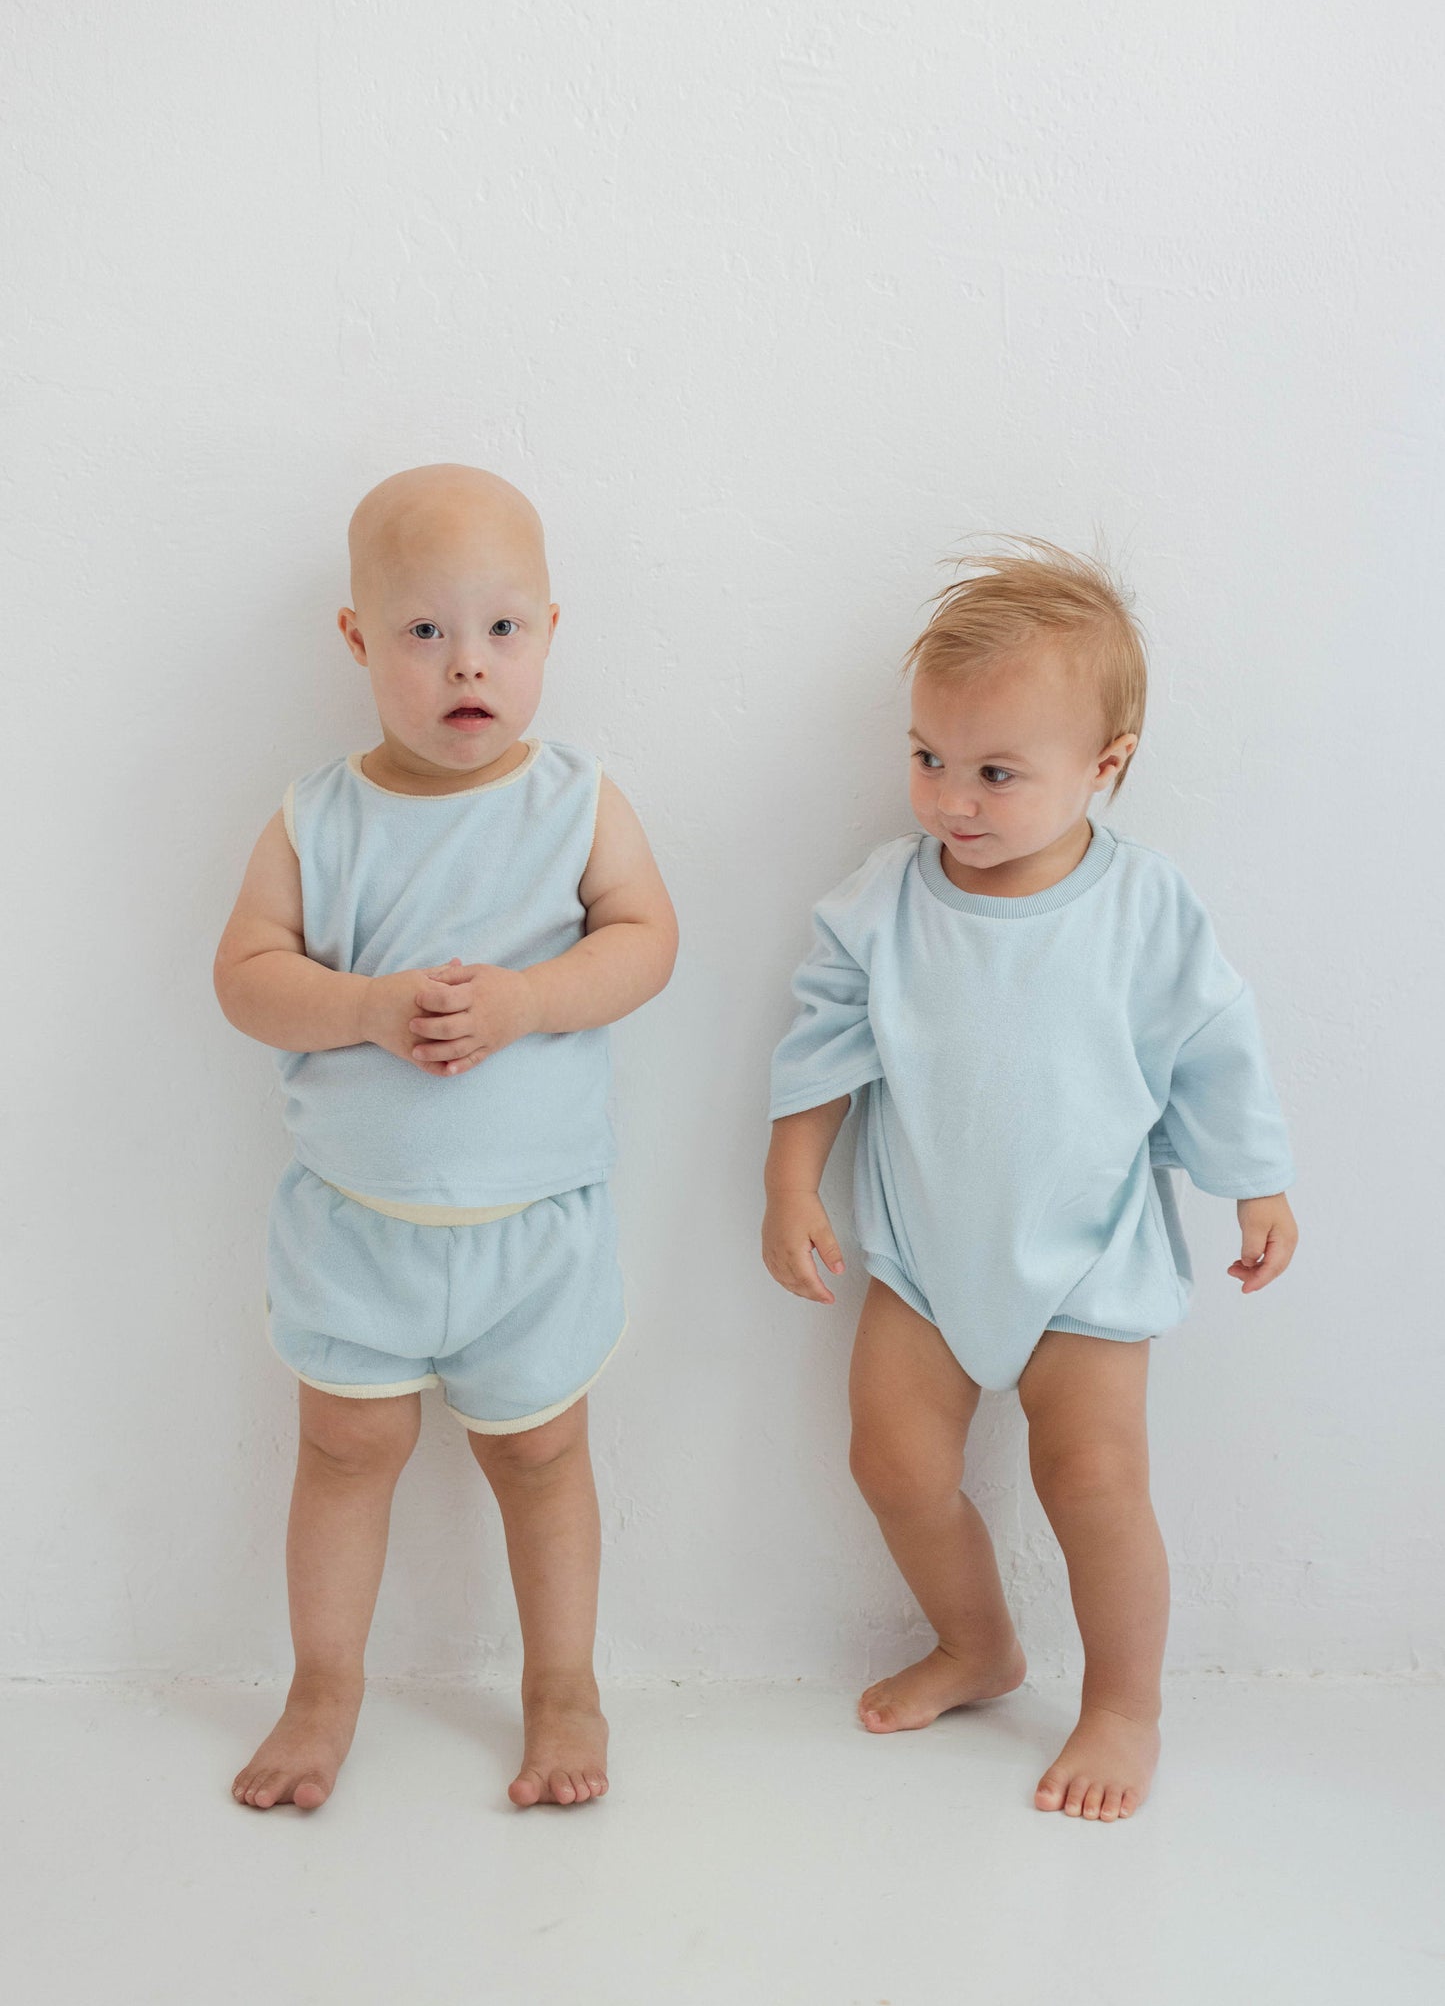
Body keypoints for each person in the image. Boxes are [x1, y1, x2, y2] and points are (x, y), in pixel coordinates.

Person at [763, 544, 1297, 1822]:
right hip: (923, 1252)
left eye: (995, 772)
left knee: (1093, 1481)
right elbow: (819, 1045)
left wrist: (1254, 1184)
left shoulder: (1142, 909)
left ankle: (1122, 1702)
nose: (952, 797)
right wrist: (792, 1182)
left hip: (1088, 1257)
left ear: (1101, 767)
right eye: (928, 757)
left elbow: (1213, 1046)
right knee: (889, 1460)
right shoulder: (885, 904)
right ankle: (976, 1644)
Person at [215, 463, 676, 1811]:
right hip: (356, 1226)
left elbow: (647, 941)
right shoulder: (319, 816)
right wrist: (356, 1004)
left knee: (541, 1456)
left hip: (530, 1232)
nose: (464, 662)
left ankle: (560, 1683)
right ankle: (322, 1682)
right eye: (422, 631)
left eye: (500, 629)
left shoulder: (576, 803)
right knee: (344, 1452)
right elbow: (245, 975)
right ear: (359, 639)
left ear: (547, 630)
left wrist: (532, 996)